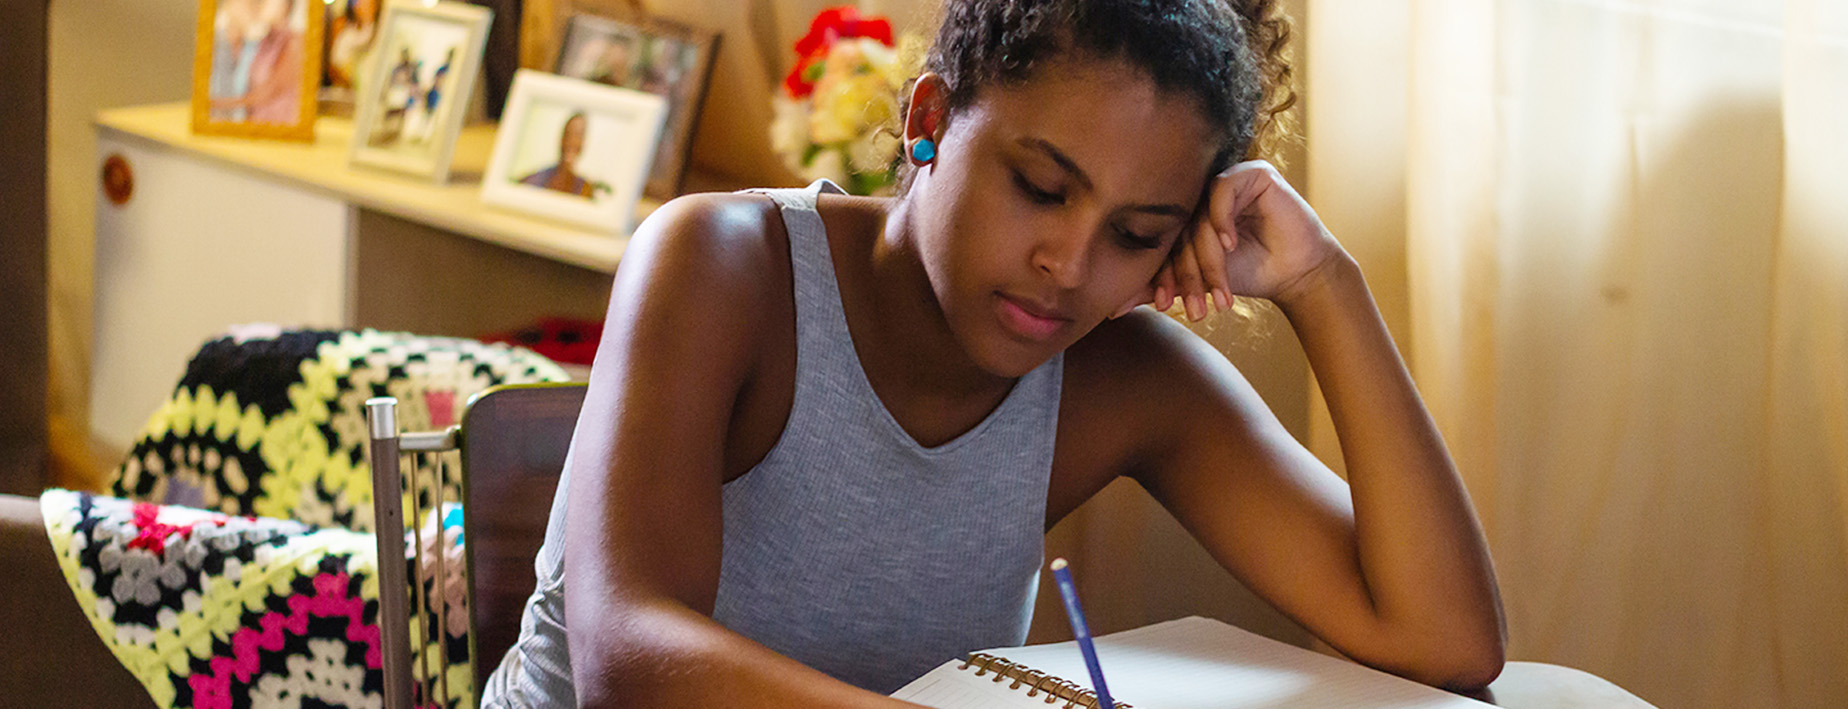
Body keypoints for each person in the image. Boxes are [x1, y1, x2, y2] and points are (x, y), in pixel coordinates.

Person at [482, 0, 1507, 706]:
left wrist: (1326, 284)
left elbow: (1443, 639)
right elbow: (626, 665)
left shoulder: (1125, 375)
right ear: (931, 119)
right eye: (1042, 187)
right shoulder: (723, 265)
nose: (1070, 266)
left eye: (1137, 233)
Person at [208, 0, 304, 124]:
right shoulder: (262, 43)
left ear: (286, 6)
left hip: (278, 123)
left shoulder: (294, 43)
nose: (259, 8)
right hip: (255, 121)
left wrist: (219, 103)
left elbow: (267, 93)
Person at [516, 113, 601, 198]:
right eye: (568, 134)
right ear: (561, 138)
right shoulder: (533, 180)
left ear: (583, 143)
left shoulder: (587, 190)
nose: (572, 141)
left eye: (578, 135)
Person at [325, 0, 379, 88]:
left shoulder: (377, 32)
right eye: (361, 4)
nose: (363, 7)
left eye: (368, 4)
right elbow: (336, 64)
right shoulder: (348, 32)